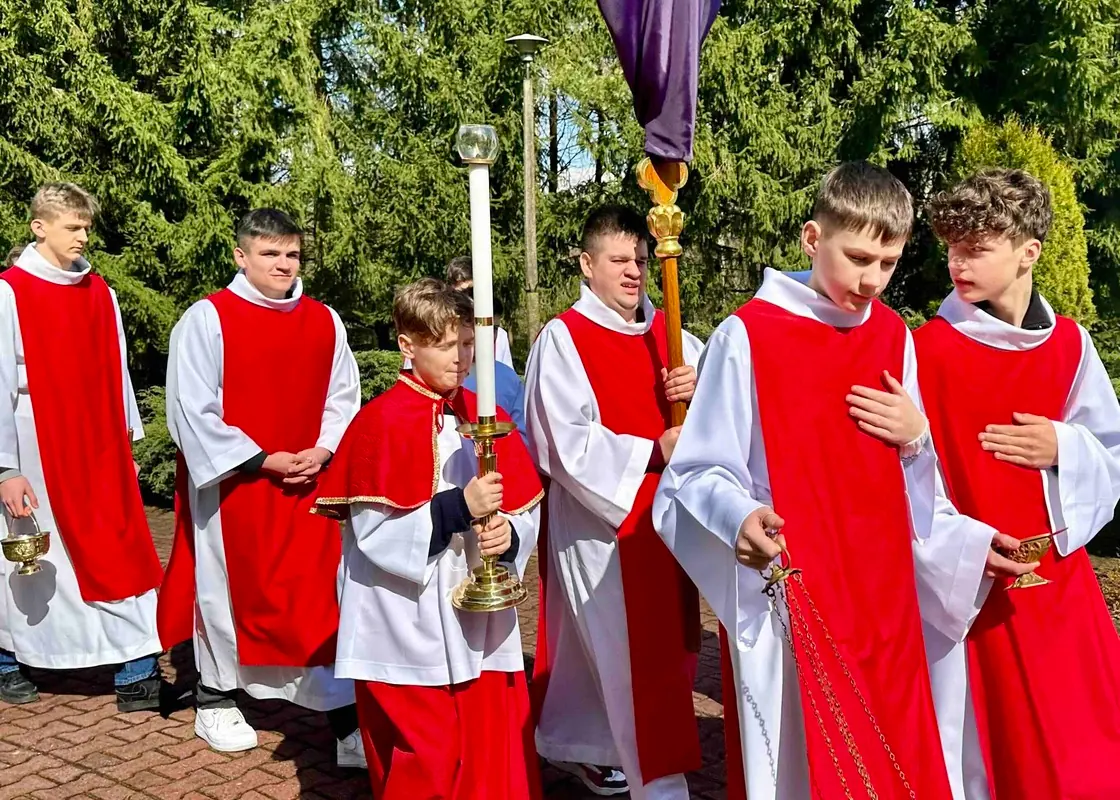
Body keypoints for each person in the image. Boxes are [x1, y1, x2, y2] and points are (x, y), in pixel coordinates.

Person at [653, 162, 1002, 800]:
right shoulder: (747, 335)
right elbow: (698, 469)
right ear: (814, 239)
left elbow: (919, 487)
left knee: (893, 749)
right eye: (859, 258)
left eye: (889, 263)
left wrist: (916, 435)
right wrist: (738, 519)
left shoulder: (894, 335)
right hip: (798, 586)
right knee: (811, 759)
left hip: (885, 596)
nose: (872, 281)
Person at [915, 169, 1120, 800]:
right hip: (972, 588)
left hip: (1060, 586)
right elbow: (906, 478)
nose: (957, 261)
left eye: (976, 247)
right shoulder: (924, 350)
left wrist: (1065, 445)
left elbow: (1111, 451)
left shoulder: (1070, 346)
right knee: (994, 757)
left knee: (1084, 753)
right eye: (951, 245)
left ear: (1028, 251)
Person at [313, 278, 544, 799]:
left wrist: (508, 536)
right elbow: (375, 535)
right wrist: (459, 507)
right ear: (407, 343)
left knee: (488, 754)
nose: (460, 358)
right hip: (402, 622)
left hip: (477, 624)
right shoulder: (379, 423)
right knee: (427, 759)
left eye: (466, 344)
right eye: (444, 345)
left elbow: (525, 508)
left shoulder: (486, 417)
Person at [159, 209, 364, 763]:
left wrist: (322, 449)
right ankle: (216, 697)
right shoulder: (207, 319)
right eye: (270, 253)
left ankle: (344, 718)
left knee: (323, 596)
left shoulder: (325, 319)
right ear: (240, 256)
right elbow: (190, 409)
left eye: (291, 254)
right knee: (230, 593)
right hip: (238, 489)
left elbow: (343, 397)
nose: (282, 264)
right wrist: (263, 459)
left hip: (311, 484)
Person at [524, 205, 704, 799]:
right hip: (600, 521)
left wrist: (696, 392)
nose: (633, 272)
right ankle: (658, 779)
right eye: (619, 260)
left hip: (667, 520)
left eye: (641, 261)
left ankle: (597, 750)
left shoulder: (673, 334)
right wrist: (653, 447)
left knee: (662, 647)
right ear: (587, 264)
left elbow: (723, 414)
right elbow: (565, 442)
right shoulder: (563, 337)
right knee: (624, 653)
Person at [0, 182, 163, 710]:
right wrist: (5, 468)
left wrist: (126, 443)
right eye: (72, 226)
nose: (83, 237)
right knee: (28, 552)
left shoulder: (101, 293)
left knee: (118, 547)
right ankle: (8, 659)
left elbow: (117, 373)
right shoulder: (8, 291)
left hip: (96, 442)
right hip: (33, 439)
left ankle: (136, 668)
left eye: (86, 227)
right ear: (39, 227)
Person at [446, 255, 514, 368]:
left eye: (472, 292)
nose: (468, 300)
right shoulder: (434, 333)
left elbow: (505, 378)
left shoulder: (498, 336)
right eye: (461, 294)